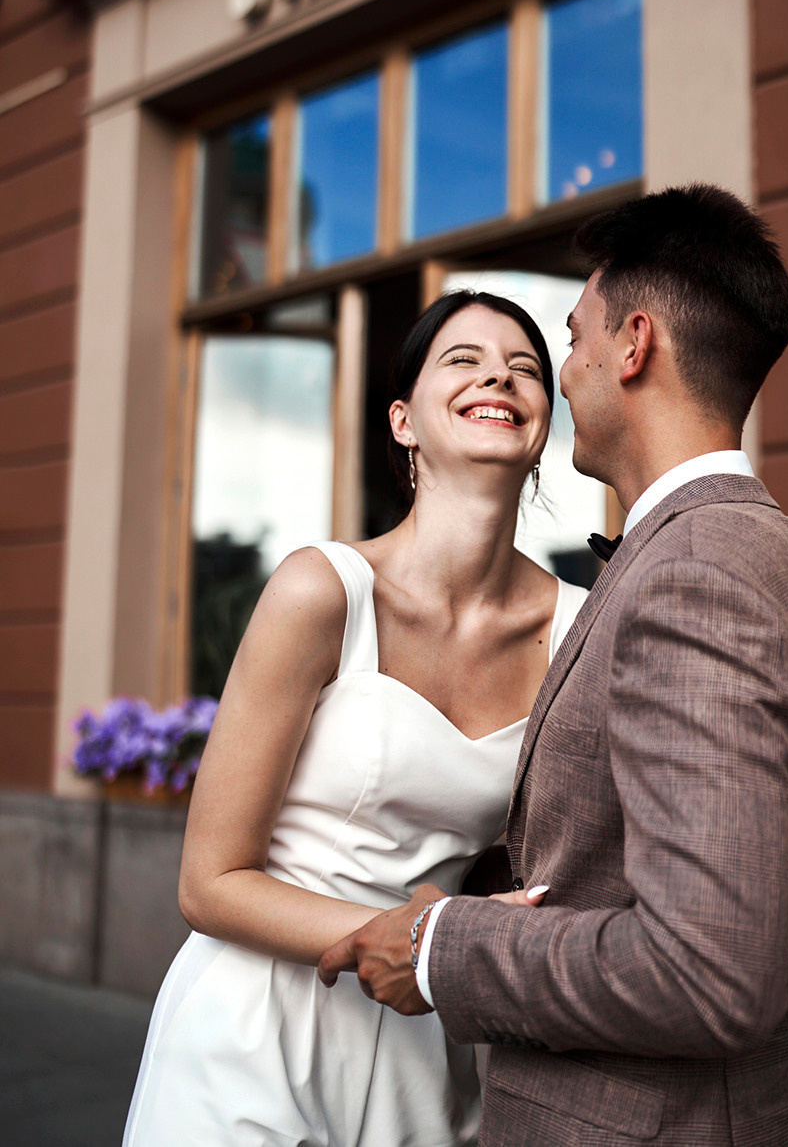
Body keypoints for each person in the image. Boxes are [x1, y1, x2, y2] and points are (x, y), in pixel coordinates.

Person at [319, 184, 788, 1146]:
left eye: (572, 339)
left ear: (635, 344)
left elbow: (708, 972)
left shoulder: (696, 577)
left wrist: (445, 947)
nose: (564, 375)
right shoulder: (756, 554)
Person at [123, 291, 590, 1147]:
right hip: (254, 1031)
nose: (500, 374)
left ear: (539, 434)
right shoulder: (321, 592)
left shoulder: (579, 628)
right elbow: (208, 880)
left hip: (423, 1044)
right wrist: (416, 938)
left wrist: (464, 938)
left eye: (526, 368)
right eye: (465, 359)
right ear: (404, 421)